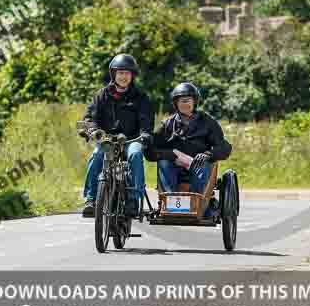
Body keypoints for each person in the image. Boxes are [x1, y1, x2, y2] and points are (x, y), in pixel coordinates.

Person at [79, 54, 153, 218]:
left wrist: (145, 134)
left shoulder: (141, 97)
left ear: (132, 75)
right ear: (113, 74)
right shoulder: (102, 95)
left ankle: (134, 199)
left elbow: (146, 121)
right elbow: (90, 118)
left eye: (127, 73)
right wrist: (90, 130)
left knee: (135, 154)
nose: (124, 77)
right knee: (97, 156)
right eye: (120, 73)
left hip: (131, 139)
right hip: (107, 140)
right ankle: (91, 200)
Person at [149, 82, 232, 211]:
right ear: (176, 104)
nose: (185, 104)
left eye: (188, 101)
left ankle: (197, 206)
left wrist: (208, 154)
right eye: (181, 101)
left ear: (195, 102)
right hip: (174, 168)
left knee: (202, 163)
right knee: (164, 162)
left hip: (200, 167)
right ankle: (170, 207)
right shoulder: (167, 124)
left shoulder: (208, 122)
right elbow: (151, 151)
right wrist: (169, 155)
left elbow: (224, 147)